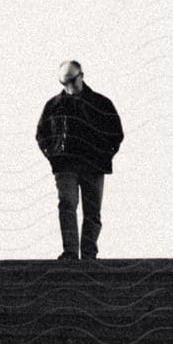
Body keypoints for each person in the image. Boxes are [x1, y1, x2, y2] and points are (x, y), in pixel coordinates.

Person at [36, 60, 123, 261]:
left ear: (81, 76)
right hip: (65, 166)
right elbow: (42, 134)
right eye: (64, 83)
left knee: (92, 211)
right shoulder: (53, 106)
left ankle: (89, 255)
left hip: (93, 164)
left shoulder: (101, 104)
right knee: (67, 205)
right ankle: (70, 253)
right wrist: (53, 156)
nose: (69, 87)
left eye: (72, 81)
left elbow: (116, 133)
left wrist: (104, 154)